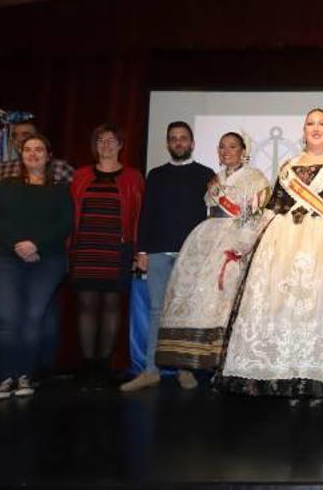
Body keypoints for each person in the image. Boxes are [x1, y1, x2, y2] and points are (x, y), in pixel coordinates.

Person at [216, 108, 323, 405]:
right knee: (285, 311)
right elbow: (272, 210)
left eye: (322, 124)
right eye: (310, 123)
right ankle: (289, 378)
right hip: (285, 244)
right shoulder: (288, 168)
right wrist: (248, 243)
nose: (316, 128)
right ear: (303, 131)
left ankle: (318, 381)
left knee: (321, 310)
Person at [155, 133, 270, 376]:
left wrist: (241, 246)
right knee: (198, 298)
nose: (226, 151)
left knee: (226, 301)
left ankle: (230, 366)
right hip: (206, 239)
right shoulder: (214, 179)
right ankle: (197, 360)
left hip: (234, 241)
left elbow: (256, 216)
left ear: (243, 151)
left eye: (232, 146)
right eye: (221, 147)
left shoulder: (255, 178)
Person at [120, 122, 214, 392]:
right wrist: (142, 251)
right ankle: (151, 370)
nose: (179, 143)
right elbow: (146, 213)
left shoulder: (206, 175)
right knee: (157, 311)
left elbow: (211, 218)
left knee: (183, 314)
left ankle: (184, 369)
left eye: (183, 138)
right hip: (158, 253)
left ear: (192, 143)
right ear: (168, 144)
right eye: (173, 139)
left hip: (190, 255)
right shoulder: (156, 175)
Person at [0, 133, 73, 400]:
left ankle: (24, 376)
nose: (33, 154)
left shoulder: (59, 190)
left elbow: (65, 224)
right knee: (7, 319)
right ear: (21, 155)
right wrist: (17, 245)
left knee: (33, 319)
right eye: (28, 150)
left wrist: (36, 245)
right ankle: (5, 377)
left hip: (46, 261)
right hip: (2, 260)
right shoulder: (6, 185)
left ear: (48, 156)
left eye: (39, 150)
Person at [69, 124, 144, 389]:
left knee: (112, 307)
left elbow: (138, 218)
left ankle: (104, 367)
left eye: (112, 140)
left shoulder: (134, 177)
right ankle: (88, 367)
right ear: (95, 144)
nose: (107, 144)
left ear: (121, 145)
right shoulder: (80, 175)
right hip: (86, 247)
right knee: (87, 307)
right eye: (101, 139)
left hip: (117, 249)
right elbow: (71, 213)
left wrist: (137, 251)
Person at [0, 121, 75, 184]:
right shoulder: (3, 168)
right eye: (15, 136)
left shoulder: (61, 168)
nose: (19, 139)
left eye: (25, 135)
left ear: (37, 137)